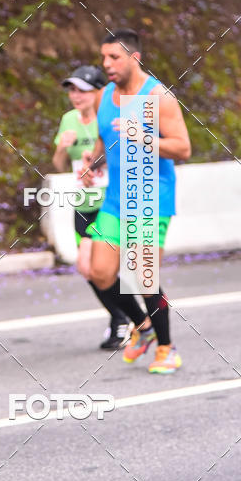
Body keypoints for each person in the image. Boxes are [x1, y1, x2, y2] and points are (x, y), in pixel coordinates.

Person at [81, 29, 191, 374]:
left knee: (140, 278)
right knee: (99, 272)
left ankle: (167, 348)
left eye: (114, 57)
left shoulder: (156, 96)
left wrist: (144, 138)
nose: (106, 65)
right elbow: (105, 136)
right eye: (104, 58)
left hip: (150, 194)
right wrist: (93, 162)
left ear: (135, 58)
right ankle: (142, 329)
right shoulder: (106, 96)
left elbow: (183, 148)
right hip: (116, 198)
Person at [52, 65, 130, 350]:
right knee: (88, 269)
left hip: (109, 204)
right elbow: (58, 166)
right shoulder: (69, 120)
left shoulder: (108, 119)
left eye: (82, 90)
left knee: (100, 268)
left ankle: (123, 319)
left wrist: (99, 163)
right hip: (83, 205)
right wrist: (63, 147)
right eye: (72, 90)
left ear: (99, 91)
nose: (76, 96)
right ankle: (121, 316)